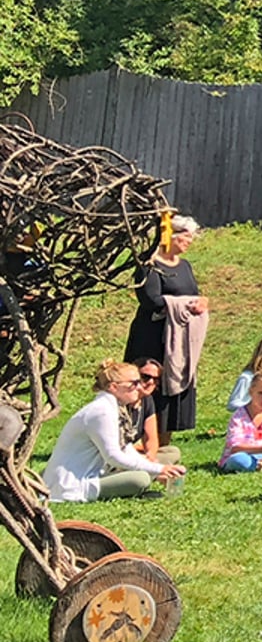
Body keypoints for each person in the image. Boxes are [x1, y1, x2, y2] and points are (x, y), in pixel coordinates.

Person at [44, 362, 185, 502]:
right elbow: (113, 456)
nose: (139, 387)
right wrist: (158, 470)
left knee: (165, 457)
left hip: (99, 471)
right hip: (73, 485)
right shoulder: (102, 412)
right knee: (140, 479)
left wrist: (157, 469)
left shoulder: (114, 408)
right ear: (114, 387)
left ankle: (147, 477)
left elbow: (126, 449)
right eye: (134, 383)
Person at [124, 211, 208, 437]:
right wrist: (185, 304)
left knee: (170, 390)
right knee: (150, 385)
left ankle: (163, 440)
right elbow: (151, 300)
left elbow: (193, 294)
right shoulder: (150, 265)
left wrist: (201, 302)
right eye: (186, 236)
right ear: (171, 235)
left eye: (191, 237)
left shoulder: (185, 266)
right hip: (152, 338)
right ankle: (139, 438)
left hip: (179, 340)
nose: (189, 241)